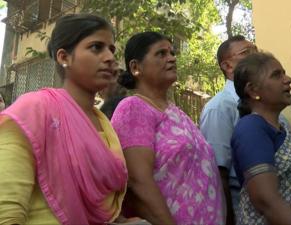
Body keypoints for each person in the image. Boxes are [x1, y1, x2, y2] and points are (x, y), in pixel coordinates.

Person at [0, 14, 128, 224]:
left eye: (111, 49)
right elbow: (6, 211)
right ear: (63, 57)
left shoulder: (105, 124)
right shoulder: (35, 110)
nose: (109, 58)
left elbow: (105, 205)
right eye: (96, 47)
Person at [111, 31, 225, 225]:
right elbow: (138, 183)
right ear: (136, 67)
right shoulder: (133, 108)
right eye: (161, 54)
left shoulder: (177, 113)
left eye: (172, 53)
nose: (172, 58)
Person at [231, 52, 291, 225]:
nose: (288, 79)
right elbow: (265, 200)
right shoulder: (251, 128)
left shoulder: (281, 129)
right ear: (253, 90)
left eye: (284, 73)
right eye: (277, 75)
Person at [199, 35, 257, 224]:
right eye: (246, 52)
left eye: (255, 50)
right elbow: (218, 172)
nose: (254, 56)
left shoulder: (261, 101)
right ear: (227, 66)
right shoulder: (220, 108)